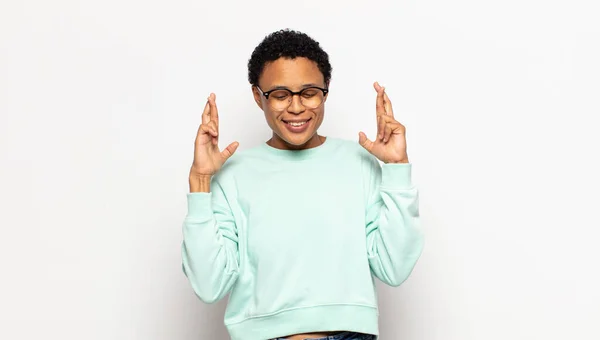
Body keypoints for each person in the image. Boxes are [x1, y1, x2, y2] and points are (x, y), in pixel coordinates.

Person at [181, 29, 424, 340]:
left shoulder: (358, 162)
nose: (296, 107)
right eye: (280, 95)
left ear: (325, 91)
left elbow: (395, 267)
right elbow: (208, 285)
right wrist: (200, 182)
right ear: (258, 97)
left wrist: (396, 169)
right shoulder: (233, 174)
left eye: (308, 92)